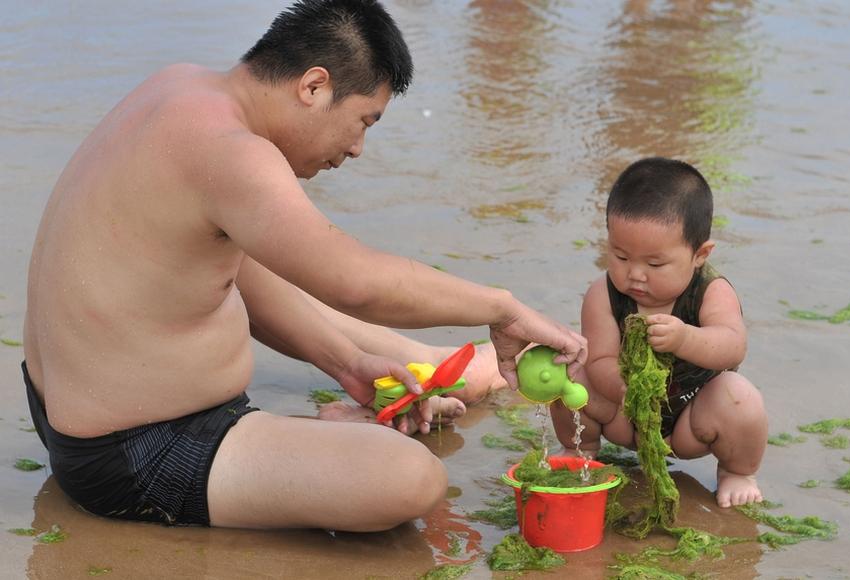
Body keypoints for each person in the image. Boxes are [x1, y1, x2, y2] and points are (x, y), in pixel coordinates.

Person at [21, 0, 586, 532]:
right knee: (411, 478)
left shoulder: (181, 88)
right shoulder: (233, 152)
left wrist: (347, 363)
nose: (359, 147)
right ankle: (303, 439)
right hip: (136, 452)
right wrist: (502, 307)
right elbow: (356, 283)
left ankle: (382, 395)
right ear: (313, 86)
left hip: (69, 416)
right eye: (364, 120)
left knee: (231, 252)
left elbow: (234, 270)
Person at [550, 157, 766, 508]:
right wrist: (627, 390)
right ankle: (579, 449)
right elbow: (602, 357)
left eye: (654, 264)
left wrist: (685, 339)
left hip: (689, 420)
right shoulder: (602, 294)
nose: (635, 274)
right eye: (620, 256)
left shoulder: (711, 291)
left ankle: (737, 471)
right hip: (624, 416)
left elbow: (733, 346)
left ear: (700, 254)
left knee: (740, 397)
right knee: (569, 372)